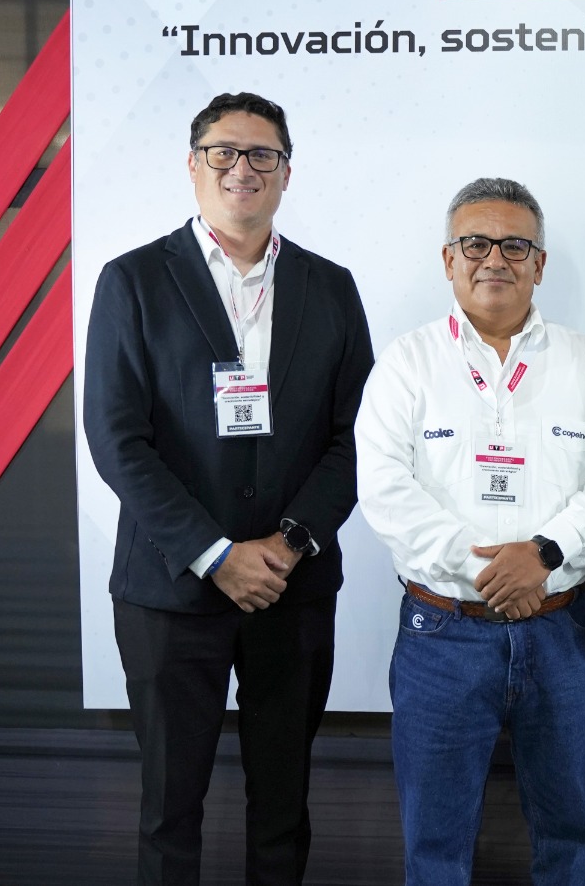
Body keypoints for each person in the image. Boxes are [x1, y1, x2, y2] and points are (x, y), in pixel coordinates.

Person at [83, 91, 374, 884]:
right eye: (223, 152)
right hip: (169, 591)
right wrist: (215, 554)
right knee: (169, 811)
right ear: (193, 165)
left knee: (283, 808)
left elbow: (358, 436)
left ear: (286, 172)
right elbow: (117, 440)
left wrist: (287, 544)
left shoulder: (330, 285)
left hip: (291, 585)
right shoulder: (133, 280)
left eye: (261, 154)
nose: (242, 168)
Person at [354, 178, 585, 885]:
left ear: (539, 264)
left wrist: (542, 557)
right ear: (448, 259)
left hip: (563, 631)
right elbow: (385, 489)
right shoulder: (407, 362)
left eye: (515, 246)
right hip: (443, 636)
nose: (495, 260)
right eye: (475, 244)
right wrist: (495, 573)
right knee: (436, 844)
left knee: (570, 836)